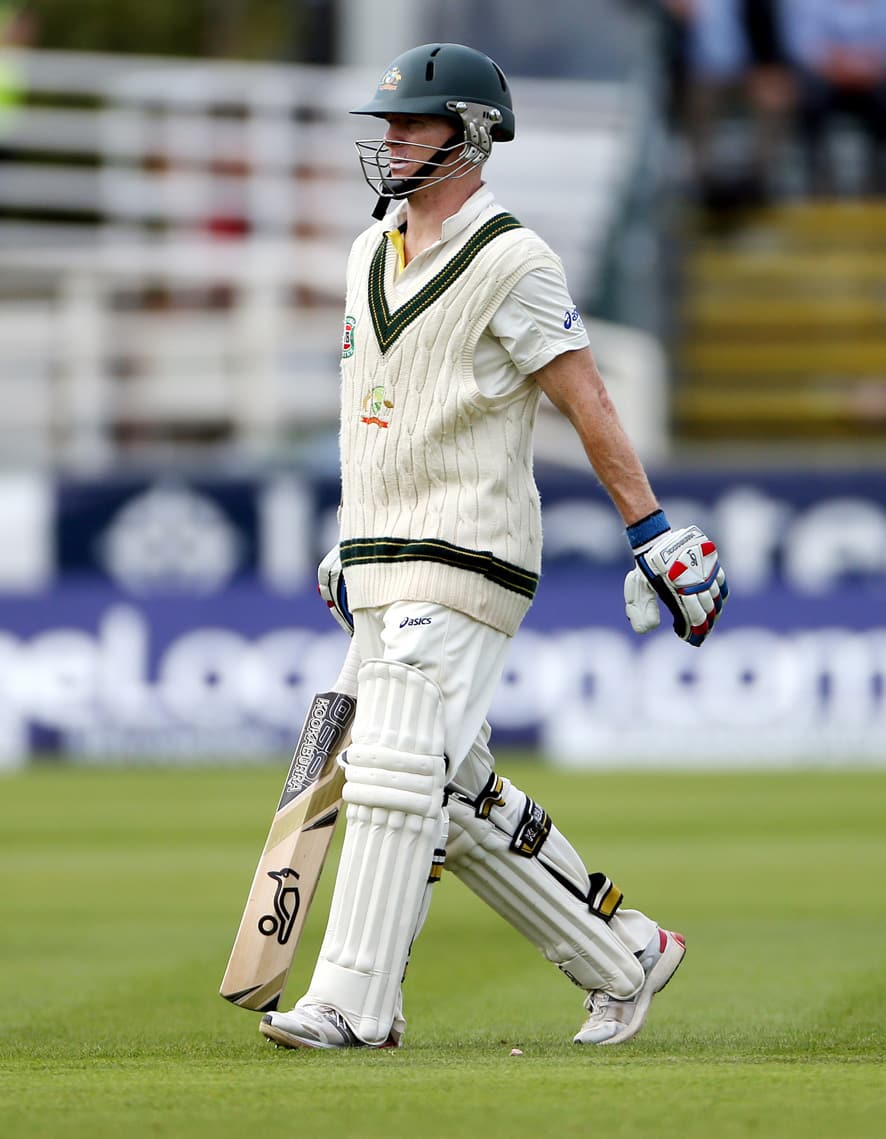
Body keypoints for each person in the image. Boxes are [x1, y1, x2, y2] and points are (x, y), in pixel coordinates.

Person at [260, 43, 728, 1052]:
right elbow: (373, 411)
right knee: (454, 791)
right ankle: (627, 954)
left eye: (411, 123)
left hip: (471, 552)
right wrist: (354, 543)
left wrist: (650, 528)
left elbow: (584, 395)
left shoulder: (514, 257)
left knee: (390, 769)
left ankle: (353, 1002)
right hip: (385, 559)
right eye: (385, 124)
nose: (388, 140)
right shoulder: (366, 250)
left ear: (469, 134)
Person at [780, 0, 886, 196]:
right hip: (828, 79)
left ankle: (877, 181)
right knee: (810, 99)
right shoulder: (811, 5)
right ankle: (820, 182)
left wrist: (865, 68)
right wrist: (840, 67)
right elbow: (806, 46)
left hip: (873, 80)